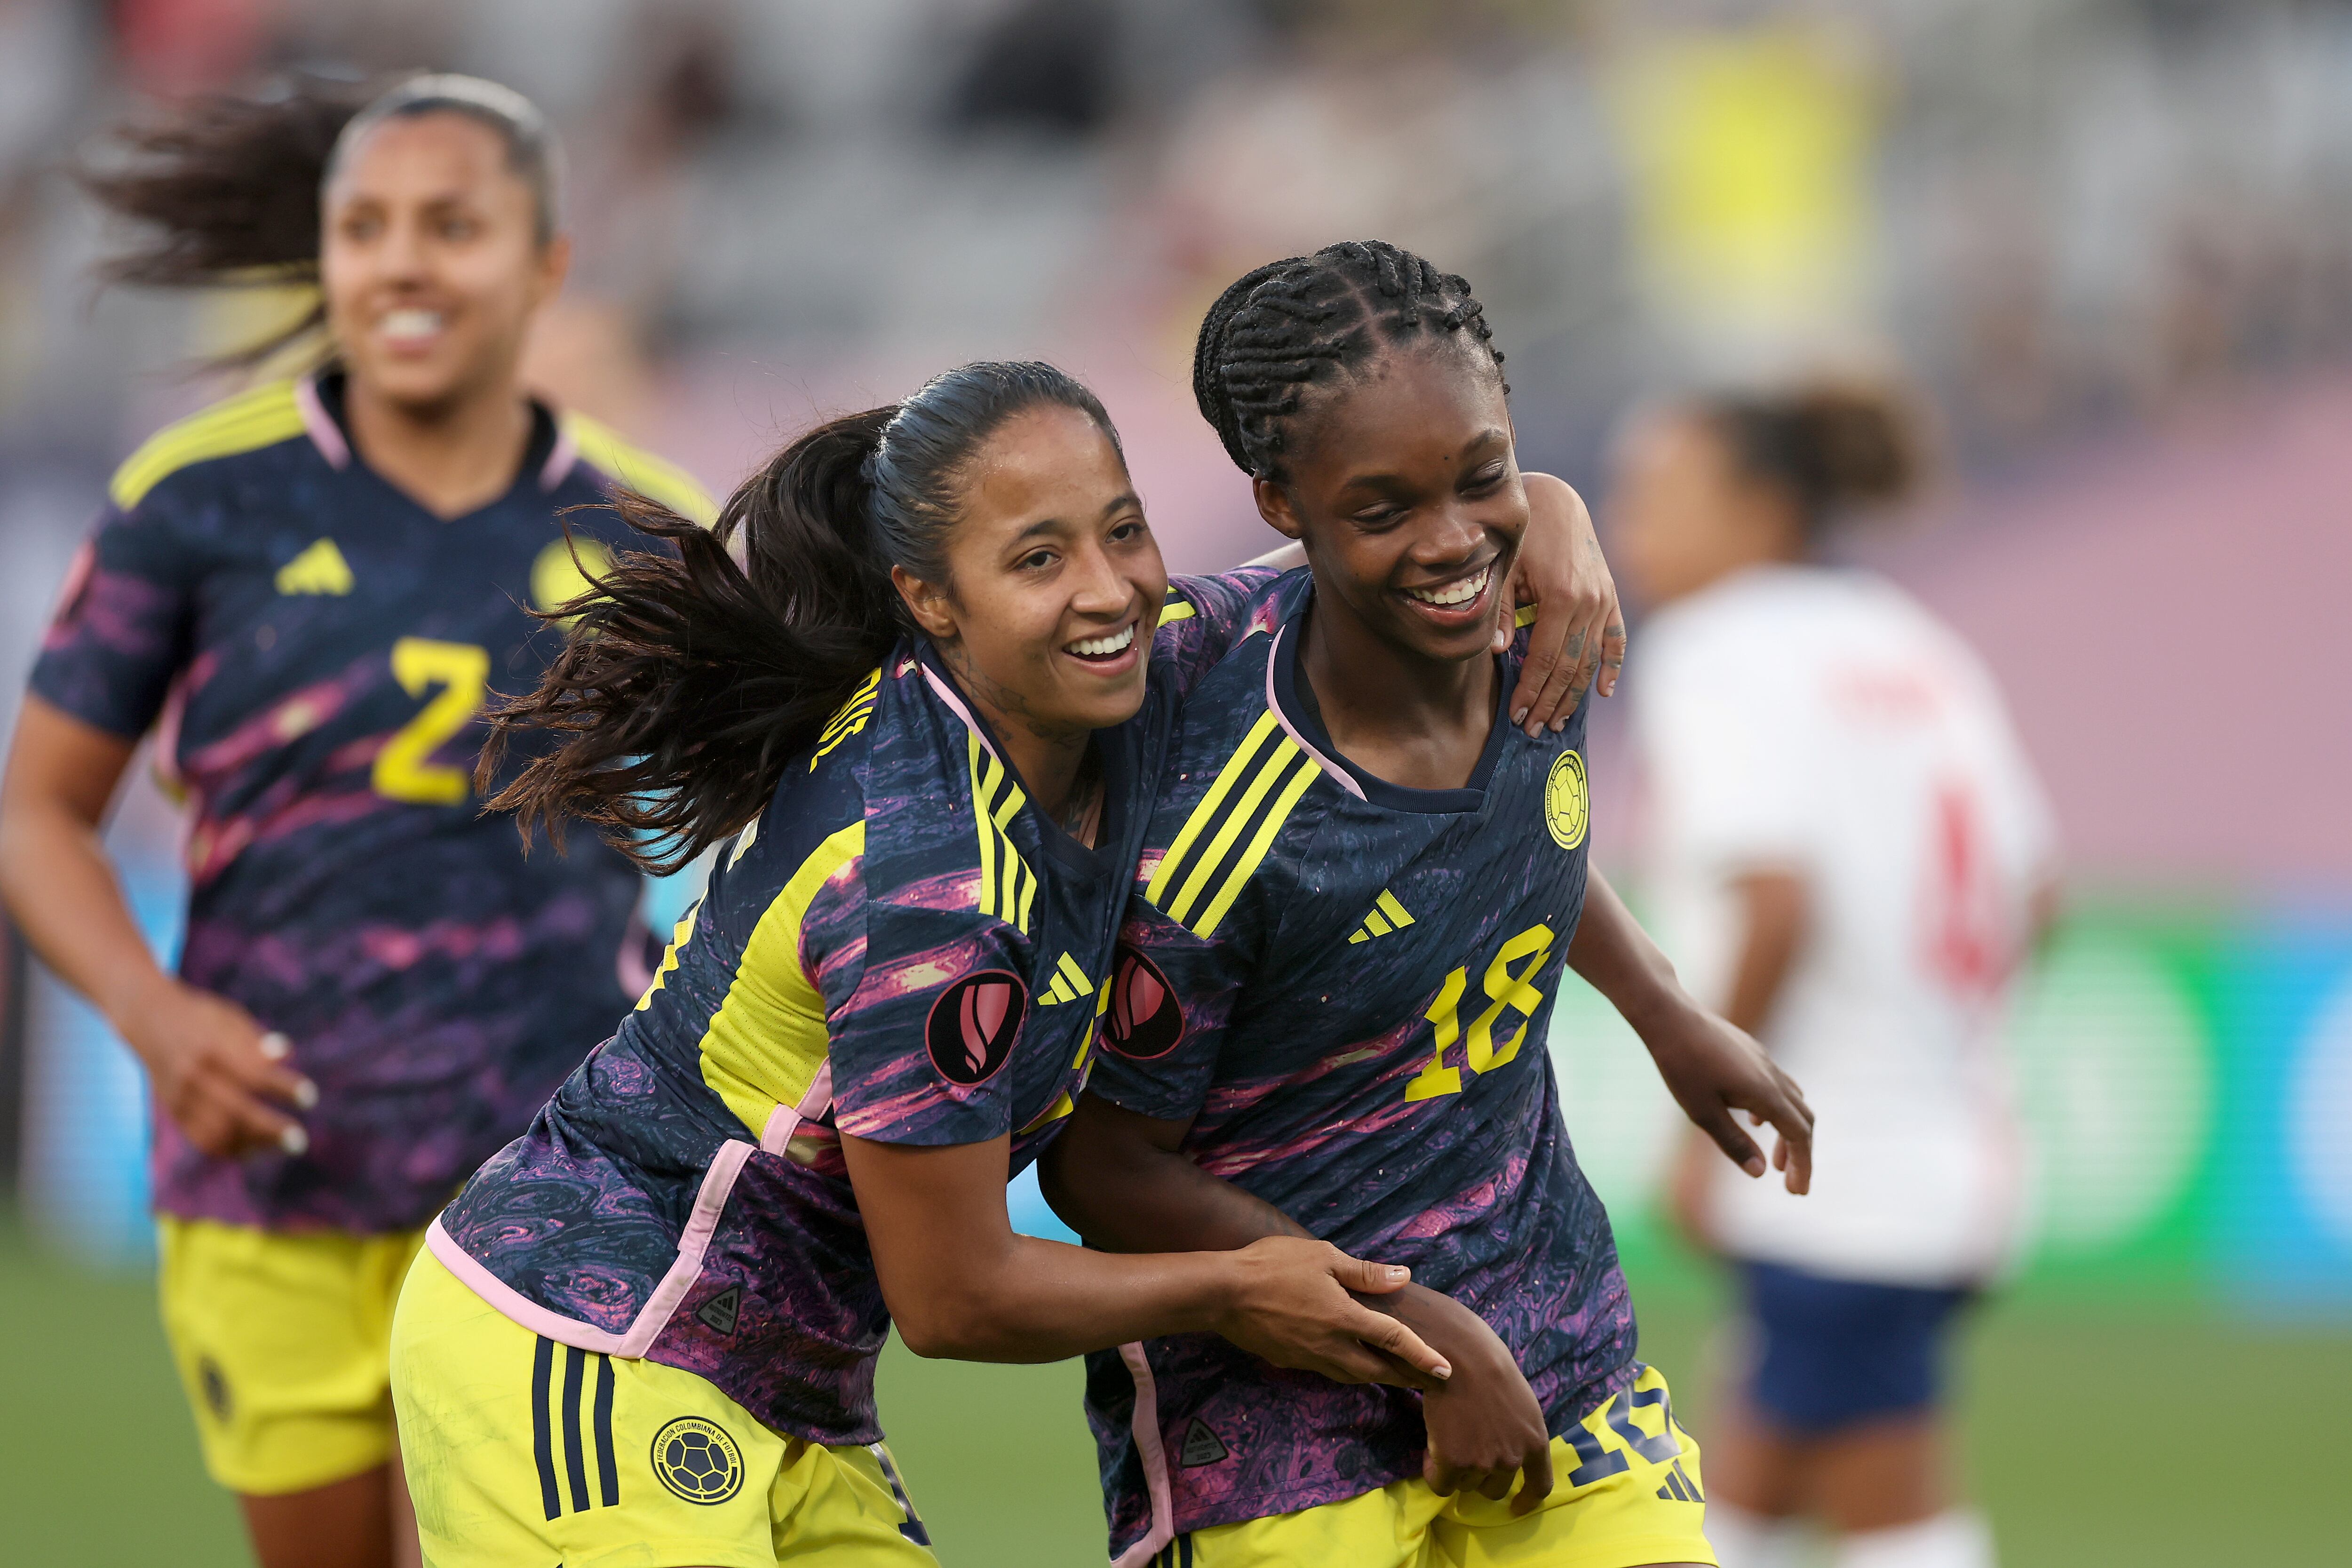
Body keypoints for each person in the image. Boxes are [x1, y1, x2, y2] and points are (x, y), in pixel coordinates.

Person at [388, 357, 1619, 1566]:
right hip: (598, 1337)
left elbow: (1357, 561)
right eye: (1039, 559)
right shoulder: (929, 886)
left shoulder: (1120, 667)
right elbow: (957, 1295)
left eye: (1122, 530)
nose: (1109, 589)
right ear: (930, 597)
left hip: (786, 1392)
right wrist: (1236, 1288)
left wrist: (1548, 511)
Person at [0, 74, 712, 1568]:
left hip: (551, 1177)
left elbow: (783, 826)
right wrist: (154, 1016)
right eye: (366, 226)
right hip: (273, 1171)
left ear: (546, 264)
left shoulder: (648, 534)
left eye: (452, 225)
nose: (402, 263)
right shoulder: (196, 503)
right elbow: (38, 814)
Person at [1039, 239, 1815, 1568]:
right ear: (1280, 503)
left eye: (1483, 474)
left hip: (1551, 1338)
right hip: (1281, 1421)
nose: (1454, 539)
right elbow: (1101, 1167)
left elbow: (1503, 841)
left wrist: (1666, 1010)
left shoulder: (1538, 620)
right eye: (1384, 507)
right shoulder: (1219, 801)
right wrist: (1423, 1337)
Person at [1609, 383, 2058, 1568]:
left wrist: (1707, 1118)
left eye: (1659, 493)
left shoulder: (1719, 645)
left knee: (1893, 1511)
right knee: (1746, 1480)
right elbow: (2039, 896)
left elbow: (1776, 900)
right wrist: (1936, 1052)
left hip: (1833, 1174)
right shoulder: (1914, 642)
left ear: (1761, 510)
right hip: (1949, 1150)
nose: (1625, 521)